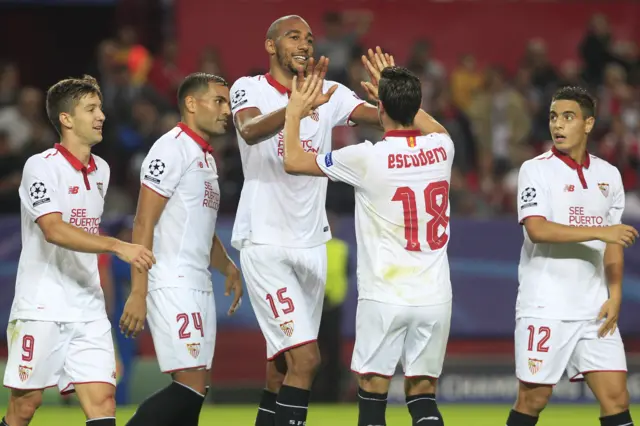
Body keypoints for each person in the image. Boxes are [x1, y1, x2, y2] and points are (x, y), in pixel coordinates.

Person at [282, 48, 453, 426]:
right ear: (418, 103)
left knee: (373, 392)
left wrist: (294, 111)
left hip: (385, 295)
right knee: (423, 394)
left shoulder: (366, 157)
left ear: (379, 105)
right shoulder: (443, 148)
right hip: (435, 296)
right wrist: (394, 92)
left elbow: (293, 160)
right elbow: (432, 126)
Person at [1, 75, 155, 426]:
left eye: (100, 107)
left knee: (103, 400)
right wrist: (118, 246)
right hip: (41, 304)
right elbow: (54, 230)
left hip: (87, 307)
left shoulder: (101, 170)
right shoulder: (40, 166)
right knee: (25, 405)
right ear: (66, 119)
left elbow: (85, 233)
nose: (101, 115)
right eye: (91, 109)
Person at [507, 86, 638, 426]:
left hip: (594, 309)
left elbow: (614, 242)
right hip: (546, 306)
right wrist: (599, 231)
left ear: (589, 123)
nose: (558, 125)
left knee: (616, 398)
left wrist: (616, 295)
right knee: (534, 398)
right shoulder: (535, 170)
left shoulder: (608, 175)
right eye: (553, 117)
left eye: (568, 117)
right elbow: (537, 228)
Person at [120, 72, 243, 426]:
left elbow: (199, 227)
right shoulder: (170, 148)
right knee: (189, 388)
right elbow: (143, 222)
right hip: (171, 280)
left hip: (197, 282)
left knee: (195, 393)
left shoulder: (204, 156)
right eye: (219, 101)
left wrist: (227, 266)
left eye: (229, 103)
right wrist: (139, 291)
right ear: (191, 103)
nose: (226, 110)